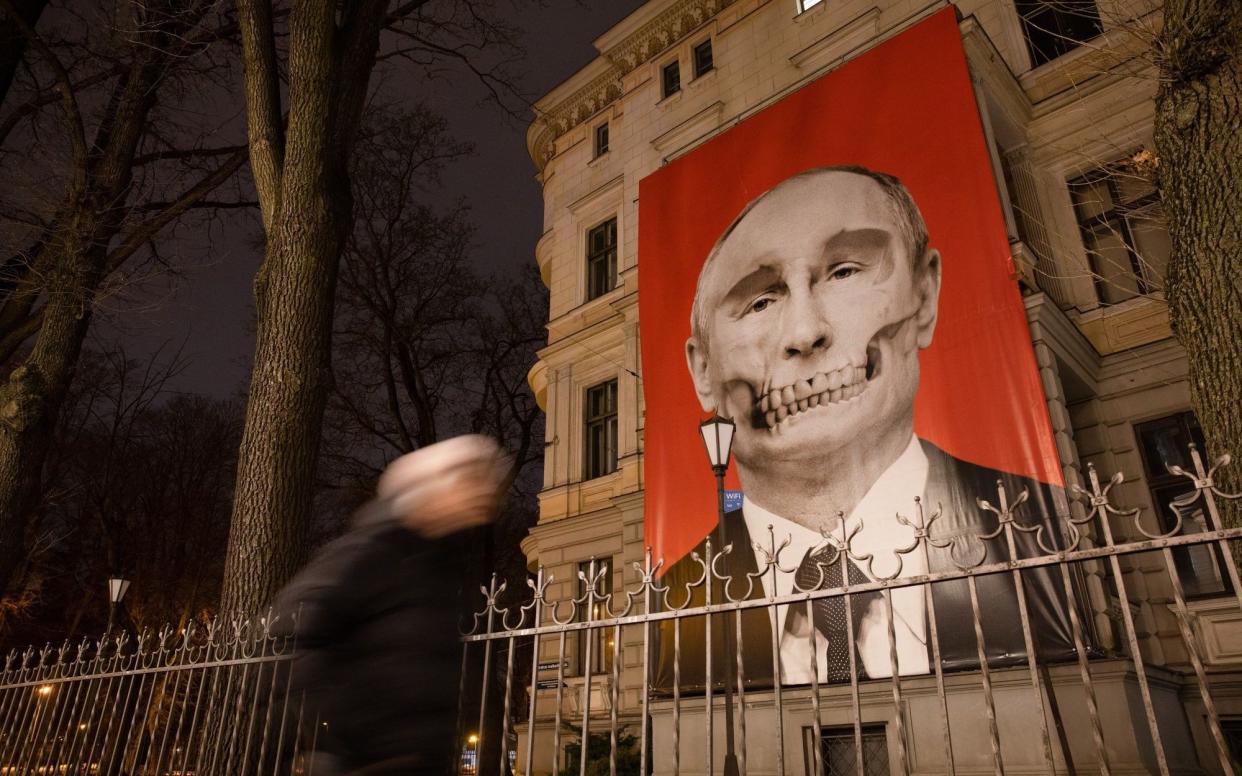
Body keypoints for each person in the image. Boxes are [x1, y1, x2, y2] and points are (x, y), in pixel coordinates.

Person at [655, 166, 1077, 691]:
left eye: (845, 272)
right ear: (702, 371)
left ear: (924, 294)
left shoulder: (1044, 525)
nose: (805, 332)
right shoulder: (673, 596)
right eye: (761, 301)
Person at [272, 435, 510, 775]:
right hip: (366, 760)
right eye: (471, 482)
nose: (485, 496)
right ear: (436, 488)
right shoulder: (373, 550)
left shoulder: (441, 568)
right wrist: (344, 730)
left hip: (422, 759)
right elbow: (298, 630)